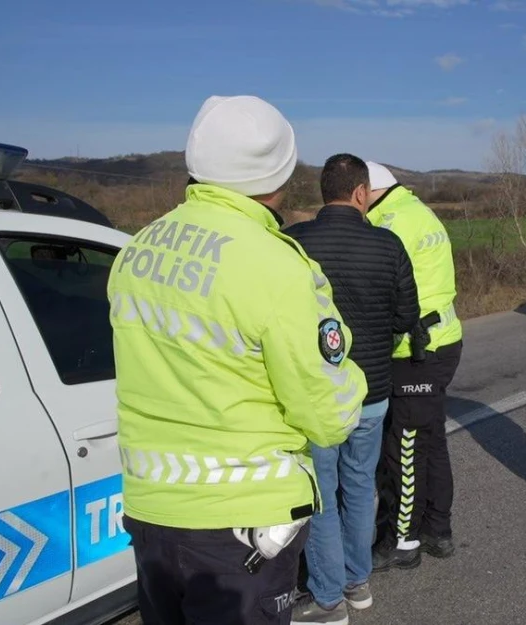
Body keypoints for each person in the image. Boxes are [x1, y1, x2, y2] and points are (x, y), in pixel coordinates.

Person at [108, 95, 368, 625]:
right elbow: (330, 414)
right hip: (242, 530)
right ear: (282, 173)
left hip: (151, 514)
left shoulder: (136, 250)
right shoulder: (277, 266)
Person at [282, 153, 420, 623]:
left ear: (324, 193)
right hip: (372, 392)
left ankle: (327, 599)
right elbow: (406, 317)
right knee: (360, 487)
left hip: (315, 394)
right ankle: (356, 583)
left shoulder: (292, 243)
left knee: (322, 492)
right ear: (362, 193)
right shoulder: (388, 245)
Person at [363, 161, 463, 570]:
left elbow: (376, 285)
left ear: (368, 190)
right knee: (429, 441)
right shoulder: (417, 209)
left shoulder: (391, 221)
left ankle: (402, 542)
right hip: (442, 340)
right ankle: (438, 530)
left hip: (414, 350)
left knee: (403, 448)